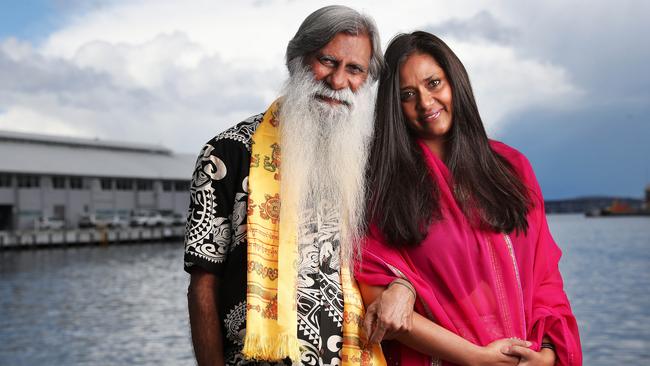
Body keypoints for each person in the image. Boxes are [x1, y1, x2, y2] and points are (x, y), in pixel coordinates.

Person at [183, 6, 414, 366]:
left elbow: (403, 258)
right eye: (327, 61)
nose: (338, 81)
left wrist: (404, 287)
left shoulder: (371, 161)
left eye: (355, 69)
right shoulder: (226, 153)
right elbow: (203, 285)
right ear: (297, 60)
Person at [355, 31, 582, 366]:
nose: (425, 102)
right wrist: (475, 358)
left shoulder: (512, 169)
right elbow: (381, 304)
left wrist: (547, 355)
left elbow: (545, 276)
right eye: (407, 94)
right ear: (394, 106)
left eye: (434, 83)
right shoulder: (382, 187)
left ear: (455, 81)